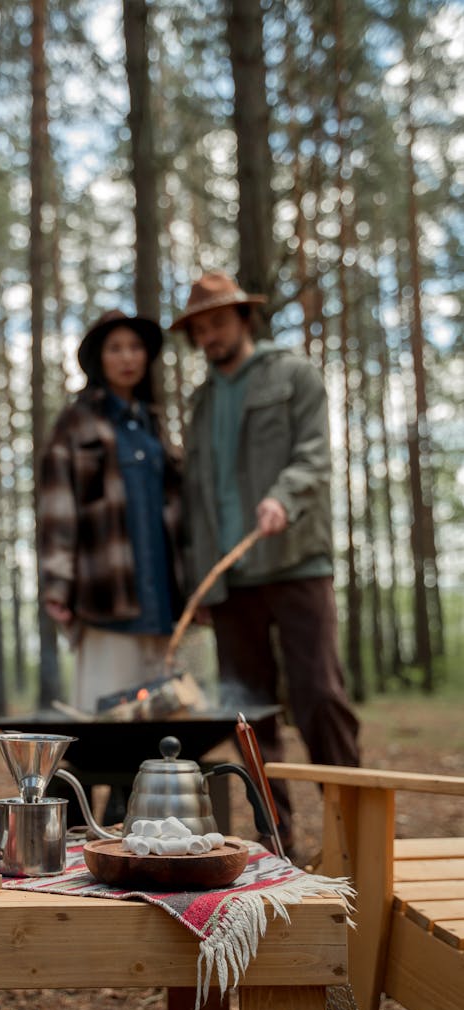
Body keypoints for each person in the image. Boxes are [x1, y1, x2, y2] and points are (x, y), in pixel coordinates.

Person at [170, 270, 361, 853]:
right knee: (247, 716)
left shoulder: (294, 375)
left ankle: (351, 829)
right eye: (199, 328)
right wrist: (198, 584)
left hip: (297, 562)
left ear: (244, 319)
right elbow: (198, 501)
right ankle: (275, 840)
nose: (210, 336)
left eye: (219, 322)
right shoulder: (200, 405)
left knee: (319, 696)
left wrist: (285, 496)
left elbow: (314, 456)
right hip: (230, 581)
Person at [37, 309, 185, 716]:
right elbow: (57, 507)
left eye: (135, 347)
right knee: (105, 722)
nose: (127, 358)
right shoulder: (75, 422)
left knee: (163, 728)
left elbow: (177, 513)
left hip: (165, 606)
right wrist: (57, 583)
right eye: (115, 348)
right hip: (105, 597)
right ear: (98, 358)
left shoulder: (154, 426)